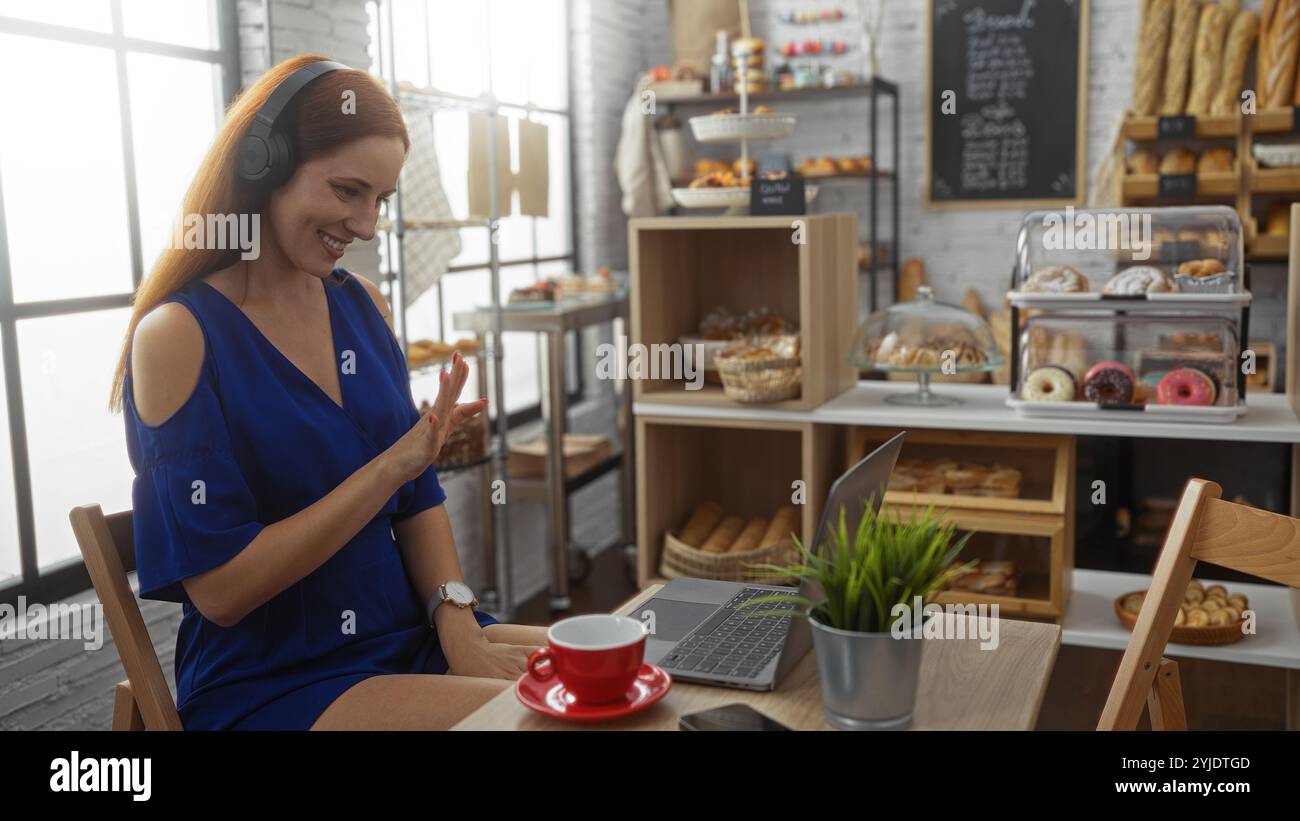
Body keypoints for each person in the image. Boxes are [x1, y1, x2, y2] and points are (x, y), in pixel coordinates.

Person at [108, 54, 547, 730]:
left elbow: (417, 498)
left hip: (409, 635)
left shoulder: (366, 307)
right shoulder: (178, 335)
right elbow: (222, 589)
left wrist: (458, 625)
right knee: (541, 722)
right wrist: (389, 467)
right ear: (263, 166)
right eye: (348, 190)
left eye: (380, 199)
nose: (367, 224)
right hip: (277, 681)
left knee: (634, 664)